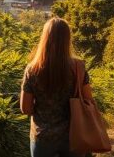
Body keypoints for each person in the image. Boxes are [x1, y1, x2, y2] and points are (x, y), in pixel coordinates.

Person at [20, 17, 93, 157]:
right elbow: (88, 99)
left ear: (45, 38)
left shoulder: (32, 70)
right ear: (68, 39)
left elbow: (25, 108)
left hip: (43, 137)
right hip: (74, 135)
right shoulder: (78, 67)